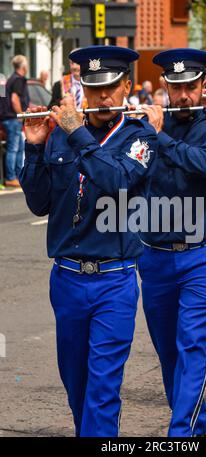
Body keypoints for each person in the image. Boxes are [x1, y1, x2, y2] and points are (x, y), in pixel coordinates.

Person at [19, 45, 158, 437]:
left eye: (111, 87)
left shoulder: (139, 137)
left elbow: (118, 182)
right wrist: (33, 147)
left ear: (126, 86)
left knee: (102, 388)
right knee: (76, 384)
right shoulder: (61, 135)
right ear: (82, 88)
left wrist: (77, 133)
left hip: (114, 279)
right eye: (93, 87)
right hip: (66, 279)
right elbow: (39, 202)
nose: (102, 96)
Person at [138, 48, 206, 437]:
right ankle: (194, 425)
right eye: (175, 87)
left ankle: (180, 435)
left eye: (190, 87)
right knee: (169, 352)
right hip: (157, 254)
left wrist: (159, 138)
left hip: (205, 253)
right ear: (164, 86)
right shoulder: (148, 126)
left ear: (203, 86)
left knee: (192, 345)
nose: (183, 96)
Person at [0, 55, 29, 187]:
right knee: (14, 148)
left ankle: (18, 175)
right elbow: (14, 98)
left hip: (9, 118)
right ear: (23, 67)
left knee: (19, 148)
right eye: (27, 64)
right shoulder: (18, 79)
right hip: (13, 118)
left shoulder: (11, 78)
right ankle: (11, 177)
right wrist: (21, 115)